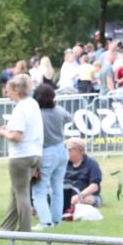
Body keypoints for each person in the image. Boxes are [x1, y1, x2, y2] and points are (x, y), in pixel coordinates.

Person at [0, 74, 43, 232]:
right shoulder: (33, 104)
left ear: (16, 89)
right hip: (35, 154)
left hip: (21, 156)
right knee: (16, 191)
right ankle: (6, 227)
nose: (7, 93)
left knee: (21, 194)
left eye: (8, 90)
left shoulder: (20, 109)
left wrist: (4, 133)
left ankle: (25, 230)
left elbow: (17, 137)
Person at [30, 84, 70, 229]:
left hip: (46, 151)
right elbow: (69, 118)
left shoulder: (37, 114)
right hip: (61, 149)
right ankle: (56, 220)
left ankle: (46, 222)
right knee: (57, 188)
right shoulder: (59, 110)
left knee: (39, 190)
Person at [64, 137, 103, 211]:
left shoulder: (92, 163)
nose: (65, 152)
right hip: (67, 194)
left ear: (77, 150)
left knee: (86, 199)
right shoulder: (64, 164)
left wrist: (78, 196)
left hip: (86, 196)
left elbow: (94, 186)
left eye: (68, 150)